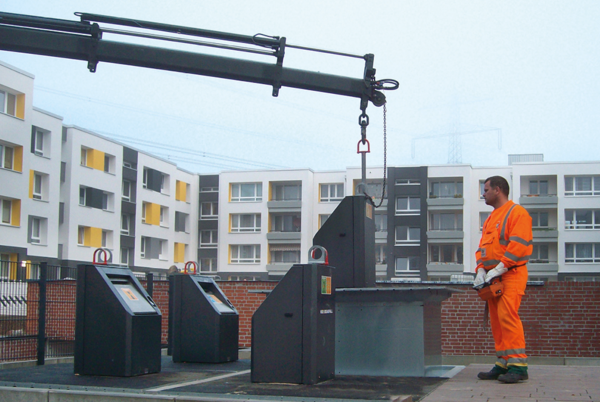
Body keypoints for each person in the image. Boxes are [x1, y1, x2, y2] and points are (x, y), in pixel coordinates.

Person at [472, 176, 532, 383]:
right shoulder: (491, 218)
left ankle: (518, 366)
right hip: (493, 277)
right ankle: (503, 363)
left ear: (498, 190)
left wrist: (500, 267)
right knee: (498, 322)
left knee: (508, 317)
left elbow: (519, 243)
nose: (483, 193)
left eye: (486, 189)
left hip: (511, 274)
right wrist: (480, 269)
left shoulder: (517, 213)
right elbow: (483, 248)